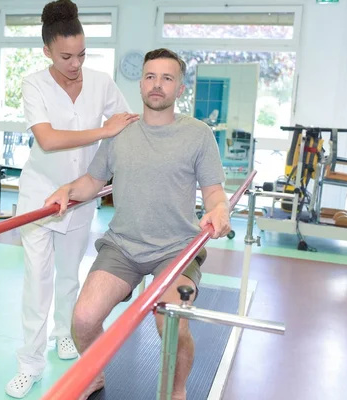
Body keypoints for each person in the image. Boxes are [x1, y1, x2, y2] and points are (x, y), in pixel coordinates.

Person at [44, 48, 231, 400]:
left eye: (166, 78)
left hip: (176, 249)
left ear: (180, 88)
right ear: (141, 84)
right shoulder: (121, 132)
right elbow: (92, 182)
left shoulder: (198, 134)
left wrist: (219, 210)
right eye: (150, 76)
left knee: (170, 324)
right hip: (123, 246)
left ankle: (177, 391)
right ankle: (94, 375)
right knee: (82, 321)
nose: (156, 84)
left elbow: (214, 193)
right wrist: (67, 190)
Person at [5, 0, 139, 398]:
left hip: (82, 195)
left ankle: (64, 332)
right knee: (37, 282)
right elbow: (47, 139)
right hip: (38, 197)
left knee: (68, 277)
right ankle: (29, 363)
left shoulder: (101, 83)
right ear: (47, 51)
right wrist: (103, 132)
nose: (75, 63)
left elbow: (128, 126)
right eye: (66, 56)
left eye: (81, 54)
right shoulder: (34, 84)